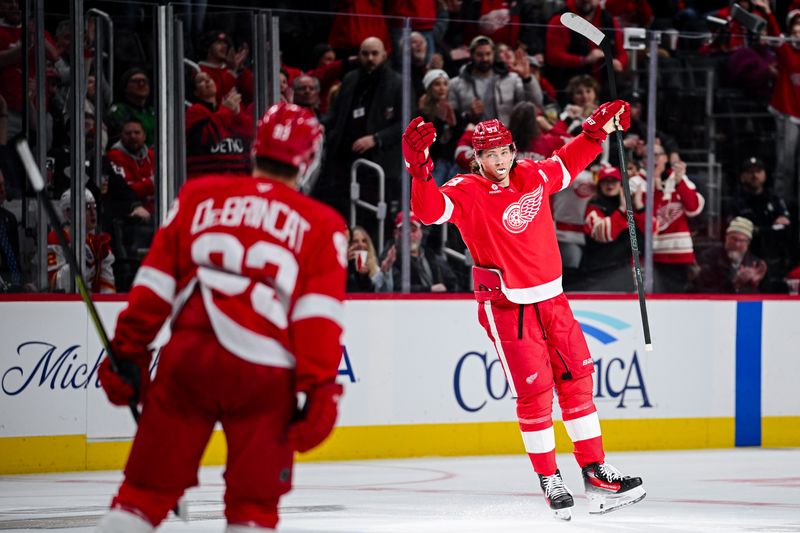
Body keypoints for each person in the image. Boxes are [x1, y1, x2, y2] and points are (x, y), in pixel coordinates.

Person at [95, 102, 347, 532]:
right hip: (264, 375)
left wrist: (129, 349)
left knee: (142, 495)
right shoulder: (323, 224)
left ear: (256, 150)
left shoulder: (199, 195)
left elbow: (154, 285)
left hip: (189, 358)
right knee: (253, 509)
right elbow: (316, 318)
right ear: (308, 161)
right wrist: (319, 387)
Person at [403, 100, 645, 519]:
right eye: (488, 154)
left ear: (513, 150)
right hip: (506, 305)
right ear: (476, 158)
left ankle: (597, 473)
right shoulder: (465, 190)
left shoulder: (532, 175)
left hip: (553, 297)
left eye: (503, 152)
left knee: (578, 381)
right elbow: (427, 211)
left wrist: (595, 131)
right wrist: (420, 169)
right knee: (534, 394)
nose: (497, 160)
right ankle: (550, 479)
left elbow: (567, 162)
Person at [576, 164, 647, 292]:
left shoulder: (633, 207)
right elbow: (603, 234)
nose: (610, 185)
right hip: (597, 274)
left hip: (624, 274)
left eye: (614, 181)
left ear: (621, 185)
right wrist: (621, 210)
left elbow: (651, 232)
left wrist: (640, 206)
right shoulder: (594, 206)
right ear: (599, 185)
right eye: (605, 182)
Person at [448, 35, 543, 127]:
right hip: (474, 138)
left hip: (507, 136)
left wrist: (527, 78)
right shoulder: (456, 84)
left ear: (493, 54)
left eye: (488, 54)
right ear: (471, 55)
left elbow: (535, 102)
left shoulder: (511, 79)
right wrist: (469, 116)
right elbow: (452, 121)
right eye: (480, 55)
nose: (484, 59)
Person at [649, 149, 704, 293]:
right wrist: (655, 184)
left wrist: (679, 181)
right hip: (651, 254)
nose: (653, 159)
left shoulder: (680, 179)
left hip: (679, 254)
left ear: (665, 158)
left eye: (656, 155)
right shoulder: (639, 181)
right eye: (648, 155)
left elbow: (693, 208)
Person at [185, 70, 252, 179]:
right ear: (195, 92)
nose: (207, 81)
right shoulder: (195, 112)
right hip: (207, 184)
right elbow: (207, 139)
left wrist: (238, 115)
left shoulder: (229, 110)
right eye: (201, 80)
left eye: (209, 78)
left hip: (237, 183)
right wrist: (226, 111)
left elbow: (250, 137)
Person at [47, 189, 115, 293]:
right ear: (69, 213)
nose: (93, 213)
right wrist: (82, 260)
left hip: (92, 303)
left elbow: (108, 285)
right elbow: (53, 283)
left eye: (94, 207)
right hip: (66, 304)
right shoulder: (56, 238)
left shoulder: (99, 242)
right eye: (87, 207)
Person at [384, 211, 459, 293]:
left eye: (414, 230)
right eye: (404, 230)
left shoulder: (432, 256)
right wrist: (429, 290)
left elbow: (453, 283)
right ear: (396, 233)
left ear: (421, 232)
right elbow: (396, 287)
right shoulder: (390, 258)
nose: (410, 235)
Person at [695, 216, 767, 294]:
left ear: (748, 243)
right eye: (733, 239)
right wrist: (734, 283)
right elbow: (702, 291)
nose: (737, 244)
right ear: (726, 237)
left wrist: (753, 284)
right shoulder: (709, 258)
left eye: (742, 240)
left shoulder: (755, 264)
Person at [106, 119, 156, 213]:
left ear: (144, 136)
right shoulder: (114, 156)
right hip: (129, 215)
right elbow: (127, 191)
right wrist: (152, 182)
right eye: (128, 133)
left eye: (137, 132)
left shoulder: (152, 155)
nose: (132, 136)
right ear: (121, 136)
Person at [107, 69, 157, 147]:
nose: (141, 84)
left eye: (144, 81)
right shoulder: (119, 111)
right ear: (125, 86)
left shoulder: (153, 111)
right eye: (135, 81)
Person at [347, 225, 393, 292]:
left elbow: (387, 292)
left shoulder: (375, 269)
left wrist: (385, 272)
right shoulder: (343, 268)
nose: (360, 244)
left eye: (364, 241)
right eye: (355, 241)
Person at [0, 169, 22, 290]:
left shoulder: (9, 218)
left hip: (12, 284)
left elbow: (15, 256)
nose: (3, 190)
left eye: (3, 184)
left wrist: (20, 283)